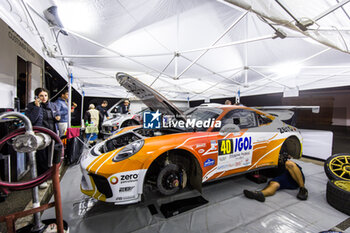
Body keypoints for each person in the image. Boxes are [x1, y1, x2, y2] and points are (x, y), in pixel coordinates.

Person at [25, 87, 60, 188]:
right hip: (40, 135)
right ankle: (41, 179)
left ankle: (51, 174)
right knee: (41, 157)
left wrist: (57, 118)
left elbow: (57, 115)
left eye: (45, 95)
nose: (44, 98)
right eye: (41, 96)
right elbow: (31, 120)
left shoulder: (53, 105)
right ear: (36, 96)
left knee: (53, 155)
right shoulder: (31, 106)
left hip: (52, 134)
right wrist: (37, 107)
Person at [243, 158, 308, 202]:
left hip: (296, 175)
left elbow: (290, 161)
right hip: (283, 177)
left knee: (289, 164)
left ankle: (303, 189)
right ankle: (259, 194)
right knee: (274, 183)